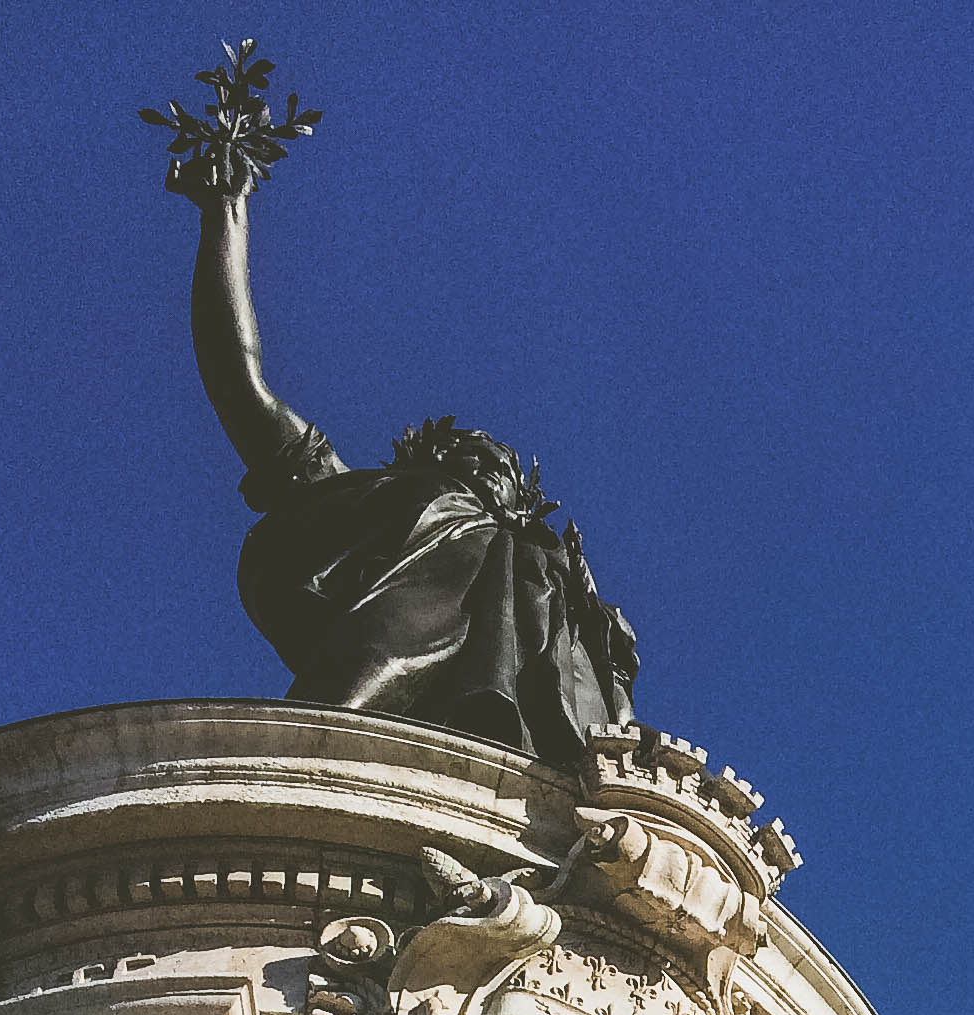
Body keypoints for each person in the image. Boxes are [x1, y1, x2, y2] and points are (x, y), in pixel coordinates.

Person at [169, 145, 639, 766]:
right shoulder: (379, 505)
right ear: (423, 465)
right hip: (349, 726)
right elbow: (240, 381)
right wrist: (226, 215)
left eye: (502, 468)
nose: (492, 468)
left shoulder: (554, 587)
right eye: (471, 457)